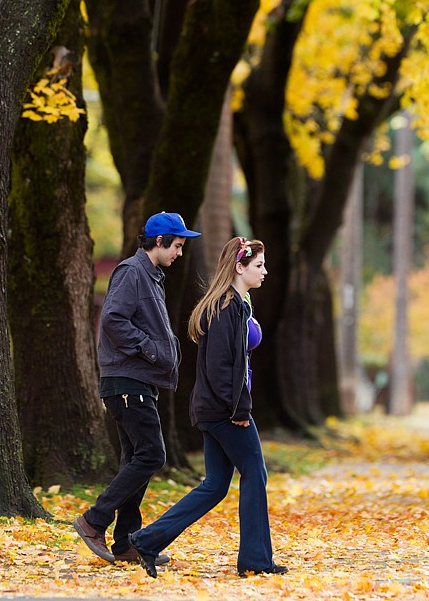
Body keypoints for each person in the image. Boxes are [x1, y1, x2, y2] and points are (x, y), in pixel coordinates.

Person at [127, 236, 289, 578]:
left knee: (215, 484)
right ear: (239, 267)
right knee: (255, 474)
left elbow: (235, 363)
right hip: (224, 410)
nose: (265, 271)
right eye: (258, 265)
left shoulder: (238, 304)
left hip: (218, 409)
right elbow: (220, 368)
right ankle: (256, 561)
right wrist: (239, 411)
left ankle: (146, 540)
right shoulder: (226, 307)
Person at [73, 212, 201, 564]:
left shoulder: (152, 276)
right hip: (126, 381)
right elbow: (113, 319)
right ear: (158, 242)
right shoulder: (132, 272)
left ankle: (126, 542)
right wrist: (151, 349)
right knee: (152, 455)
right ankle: (93, 520)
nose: (179, 252)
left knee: (135, 458)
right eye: (176, 245)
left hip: (137, 380)